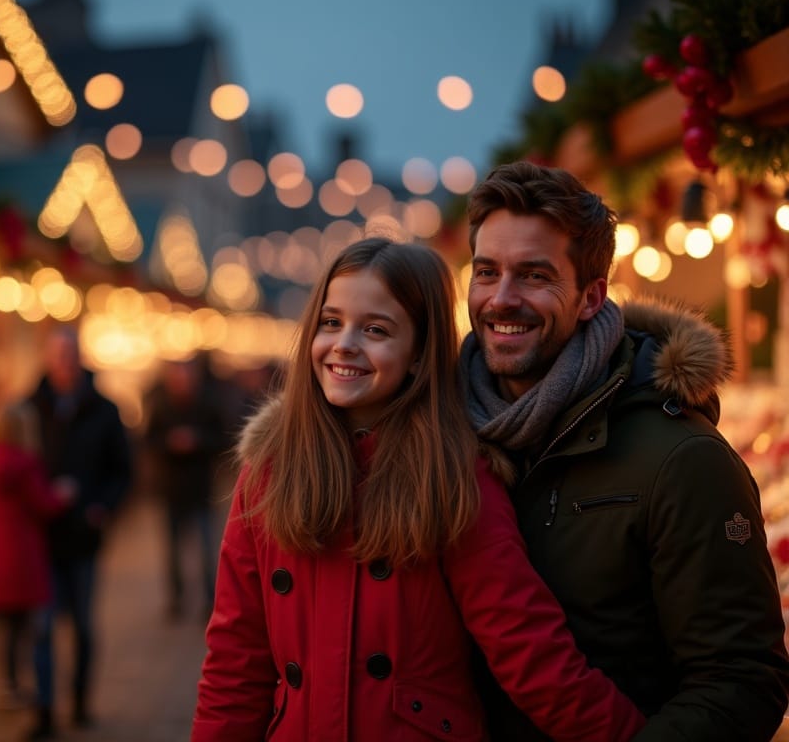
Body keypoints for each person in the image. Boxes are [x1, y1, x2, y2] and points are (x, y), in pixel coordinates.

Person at [192, 236, 647, 741]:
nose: (344, 344)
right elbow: (235, 664)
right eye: (331, 322)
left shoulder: (455, 477)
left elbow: (532, 656)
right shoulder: (270, 471)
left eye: (376, 329)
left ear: (417, 354)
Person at [461, 160, 789, 741]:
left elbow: (741, 684)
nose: (501, 299)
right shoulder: (439, 437)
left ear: (591, 297)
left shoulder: (683, 459)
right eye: (487, 271)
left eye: (534, 275)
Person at [27, 325, 133, 738]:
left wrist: (101, 508)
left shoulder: (104, 409)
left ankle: (80, 702)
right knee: (42, 627)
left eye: (69, 355)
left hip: (84, 537)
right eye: (57, 355)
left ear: (79, 358)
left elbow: (122, 470)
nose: (64, 363)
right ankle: (44, 711)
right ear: (47, 358)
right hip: (42, 537)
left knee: (84, 627)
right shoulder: (30, 406)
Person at [0, 400, 73, 708]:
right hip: (24, 551)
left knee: (7, 627)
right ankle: (39, 689)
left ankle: (9, 685)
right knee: (34, 626)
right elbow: (44, 504)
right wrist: (64, 495)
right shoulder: (27, 464)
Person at [142, 355, 225, 623]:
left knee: (207, 549)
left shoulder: (208, 404)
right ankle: (177, 599)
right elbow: (149, 440)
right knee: (173, 550)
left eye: (187, 377)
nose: (183, 383)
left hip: (200, 489)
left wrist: (197, 442)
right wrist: (169, 443)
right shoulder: (161, 406)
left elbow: (223, 440)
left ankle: (210, 600)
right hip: (171, 490)